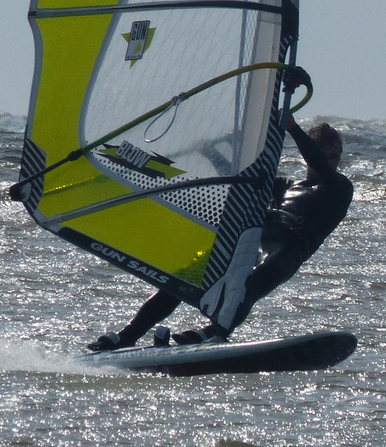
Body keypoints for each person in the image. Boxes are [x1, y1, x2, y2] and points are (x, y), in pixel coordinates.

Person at [89, 79, 353, 351]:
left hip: (290, 249)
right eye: (329, 155)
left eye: (336, 157)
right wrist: (211, 153)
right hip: (256, 238)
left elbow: (318, 162)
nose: (333, 162)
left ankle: (215, 331)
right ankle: (128, 335)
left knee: (251, 285)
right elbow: (242, 180)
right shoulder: (288, 187)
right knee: (183, 279)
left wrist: (294, 130)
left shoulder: (340, 187)